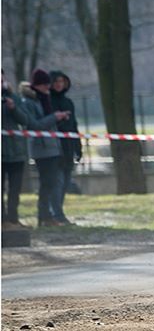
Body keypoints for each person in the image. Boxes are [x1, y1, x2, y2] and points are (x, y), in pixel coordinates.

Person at [20, 70, 70, 226]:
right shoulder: (29, 102)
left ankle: (47, 216)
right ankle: (44, 216)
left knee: (51, 182)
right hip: (41, 148)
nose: (48, 87)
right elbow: (35, 125)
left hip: (52, 146)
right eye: (44, 84)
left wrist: (59, 119)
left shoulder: (44, 99)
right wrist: (54, 117)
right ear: (37, 85)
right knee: (46, 183)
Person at [49, 70, 80, 224]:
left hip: (68, 147)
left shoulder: (68, 102)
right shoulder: (47, 101)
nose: (59, 84)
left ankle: (58, 212)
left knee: (66, 181)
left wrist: (78, 147)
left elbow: (74, 126)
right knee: (57, 181)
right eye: (56, 81)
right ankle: (56, 214)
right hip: (54, 147)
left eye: (61, 81)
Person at [2, 70, 30, 228]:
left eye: (2, 81)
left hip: (15, 151)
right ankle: (2, 220)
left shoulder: (14, 98)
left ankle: (13, 219)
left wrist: (13, 108)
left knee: (15, 189)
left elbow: (25, 120)